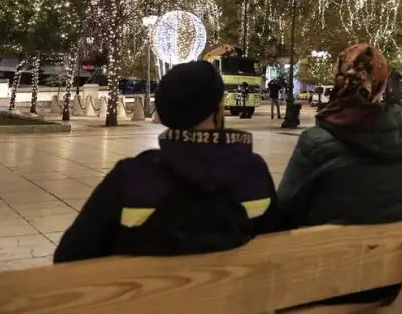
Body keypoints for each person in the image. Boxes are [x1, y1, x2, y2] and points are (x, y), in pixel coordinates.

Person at [53, 61, 280, 263]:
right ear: (219, 111)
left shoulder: (130, 178)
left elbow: (69, 257)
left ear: (163, 115)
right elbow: (277, 243)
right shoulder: (254, 171)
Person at [274, 44, 402, 230]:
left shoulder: (315, 143)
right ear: (381, 84)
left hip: (328, 255)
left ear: (338, 77)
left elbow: (282, 213)